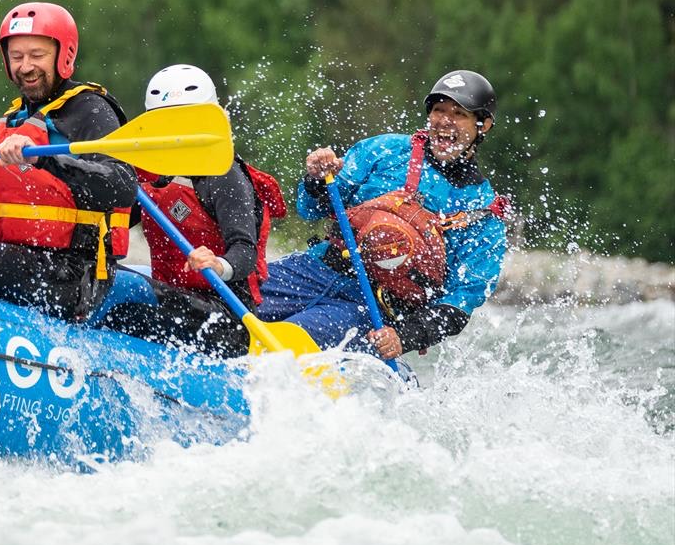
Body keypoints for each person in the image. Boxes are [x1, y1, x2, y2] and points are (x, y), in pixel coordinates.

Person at [256, 69, 509, 359]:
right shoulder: (385, 150)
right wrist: (317, 178)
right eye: (439, 110)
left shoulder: (483, 215)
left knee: (288, 339)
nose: (445, 121)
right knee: (229, 296)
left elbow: (460, 304)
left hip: (370, 308)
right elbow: (313, 209)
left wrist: (404, 336)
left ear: (484, 124)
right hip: (314, 269)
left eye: (459, 113)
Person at [0, 2, 136, 320]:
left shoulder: (90, 110)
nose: (26, 67)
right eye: (17, 57)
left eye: (37, 55)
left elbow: (123, 187)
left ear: (64, 56)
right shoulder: (11, 122)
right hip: (22, 262)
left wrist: (47, 161)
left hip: (70, 275)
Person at [94, 65, 288, 354]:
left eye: (186, 120)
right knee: (104, 280)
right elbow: (114, 225)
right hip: (174, 296)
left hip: (226, 316)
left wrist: (218, 264)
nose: (177, 132)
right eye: (167, 122)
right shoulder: (154, 175)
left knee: (123, 302)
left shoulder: (224, 176)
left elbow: (245, 252)